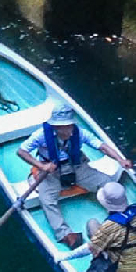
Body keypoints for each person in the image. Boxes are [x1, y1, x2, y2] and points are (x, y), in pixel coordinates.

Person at [20, 102, 120, 249]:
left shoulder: (80, 133)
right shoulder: (41, 135)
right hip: (50, 170)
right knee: (47, 199)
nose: (68, 130)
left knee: (107, 183)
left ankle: (118, 217)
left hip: (76, 165)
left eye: (69, 125)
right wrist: (42, 166)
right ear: (56, 126)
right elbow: (21, 151)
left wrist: (120, 159)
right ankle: (64, 234)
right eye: (64, 127)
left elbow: (102, 147)